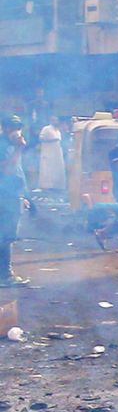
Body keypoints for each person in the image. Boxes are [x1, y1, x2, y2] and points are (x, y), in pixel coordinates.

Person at [0, 116, 26, 286]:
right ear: (5, 128)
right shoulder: (4, 146)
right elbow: (8, 170)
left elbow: (17, 171)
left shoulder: (9, 145)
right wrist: (18, 149)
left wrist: (24, 197)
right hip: (6, 196)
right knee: (6, 237)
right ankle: (5, 275)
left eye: (18, 128)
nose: (17, 132)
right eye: (13, 128)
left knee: (6, 236)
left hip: (13, 195)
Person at [35, 122, 64, 195]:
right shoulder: (46, 129)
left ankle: (57, 187)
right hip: (48, 152)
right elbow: (41, 138)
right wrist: (52, 140)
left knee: (57, 169)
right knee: (47, 170)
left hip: (57, 152)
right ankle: (46, 187)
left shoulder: (58, 130)